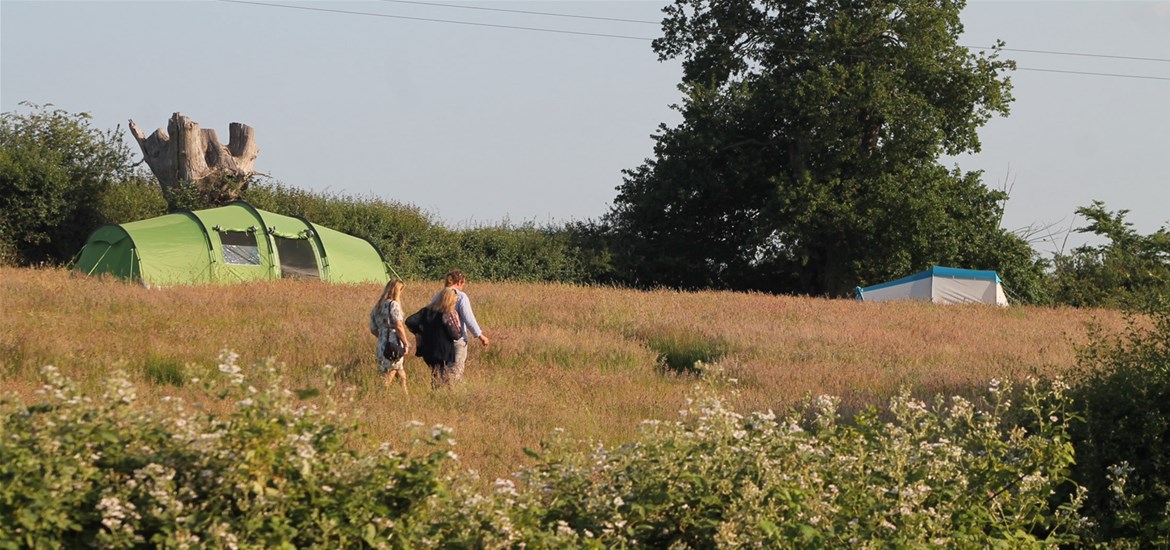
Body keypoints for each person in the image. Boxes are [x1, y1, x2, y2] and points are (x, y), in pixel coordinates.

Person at [438, 269, 489, 382]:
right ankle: (453, 397)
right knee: (454, 374)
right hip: (457, 340)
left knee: (441, 373)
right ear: (460, 282)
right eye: (464, 283)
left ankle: (438, 395)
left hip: (440, 342)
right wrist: (480, 336)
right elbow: (468, 318)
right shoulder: (460, 296)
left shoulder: (438, 296)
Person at [407, 287, 463, 388]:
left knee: (435, 373)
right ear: (449, 301)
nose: (454, 304)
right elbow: (456, 335)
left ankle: (436, 393)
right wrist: (457, 321)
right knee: (444, 377)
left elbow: (409, 321)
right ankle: (441, 395)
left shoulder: (426, 311)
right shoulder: (447, 314)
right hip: (443, 351)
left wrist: (419, 332)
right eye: (454, 302)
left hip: (427, 349)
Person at [369, 279, 410, 394]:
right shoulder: (394, 305)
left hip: (382, 343)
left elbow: (372, 329)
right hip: (394, 343)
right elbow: (398, 325)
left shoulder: (377, 306)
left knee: (400, 372)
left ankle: (406, 397)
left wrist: (382, 336)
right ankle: (380, 395)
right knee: (391, 371)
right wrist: (406, 343)